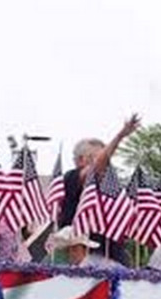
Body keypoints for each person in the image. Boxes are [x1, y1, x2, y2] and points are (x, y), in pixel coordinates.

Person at [57, 114, 142, 267]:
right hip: (85, 256)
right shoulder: (72, 178)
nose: (106, 161)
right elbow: (96, 169)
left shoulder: (110, 183)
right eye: (97, 157)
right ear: (81, 159)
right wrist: (120, 136)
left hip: (113, 254)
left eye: (107, 156)